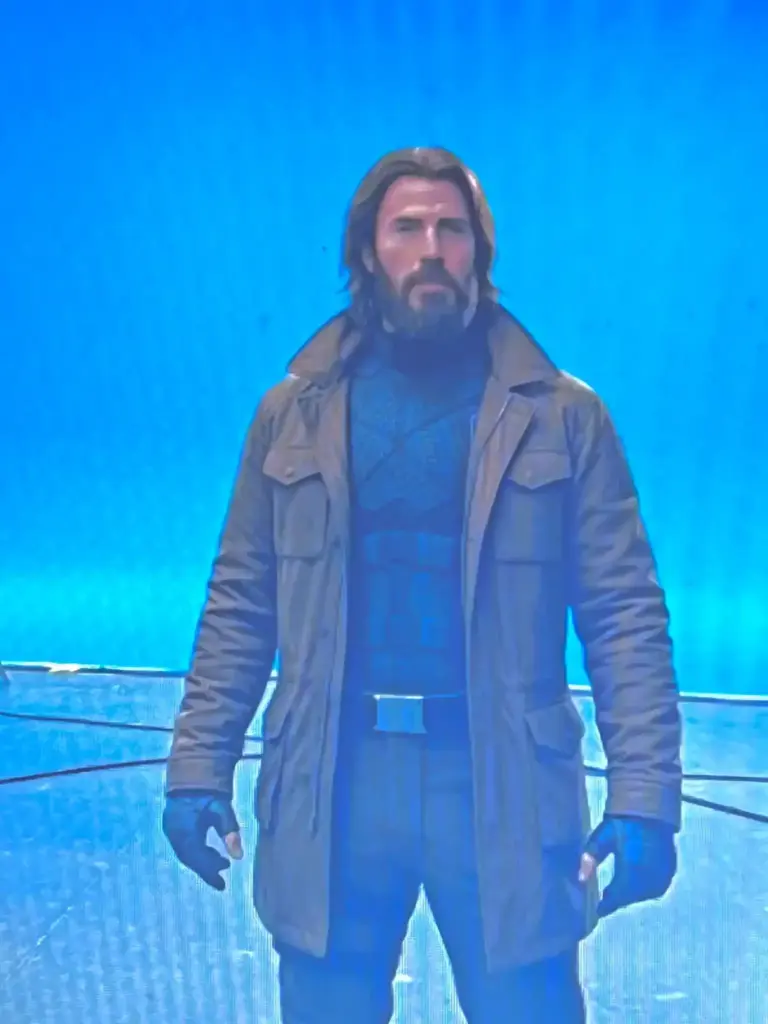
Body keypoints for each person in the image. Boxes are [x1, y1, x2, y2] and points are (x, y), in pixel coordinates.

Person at [162, 146, 682, 1023]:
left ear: (480, 251)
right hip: (334, 782)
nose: (431, 249)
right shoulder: (291, 415)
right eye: (406, 227)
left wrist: (646, 797)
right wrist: (196, 766)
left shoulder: (564, 417)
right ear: (367, 251)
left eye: (452, 229)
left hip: (502, 784)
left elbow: (624, 613)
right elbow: (242, 600)